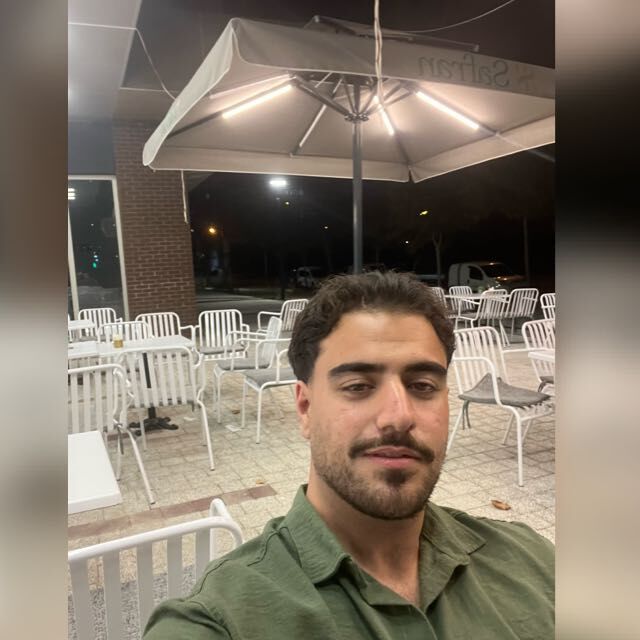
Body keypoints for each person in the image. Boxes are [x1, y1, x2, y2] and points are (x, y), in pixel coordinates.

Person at [144, 271, 554, 639]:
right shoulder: (221, 621)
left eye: (423, 386)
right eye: (358, 386)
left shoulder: (531, 560)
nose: (399, 416)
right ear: (305, 408)